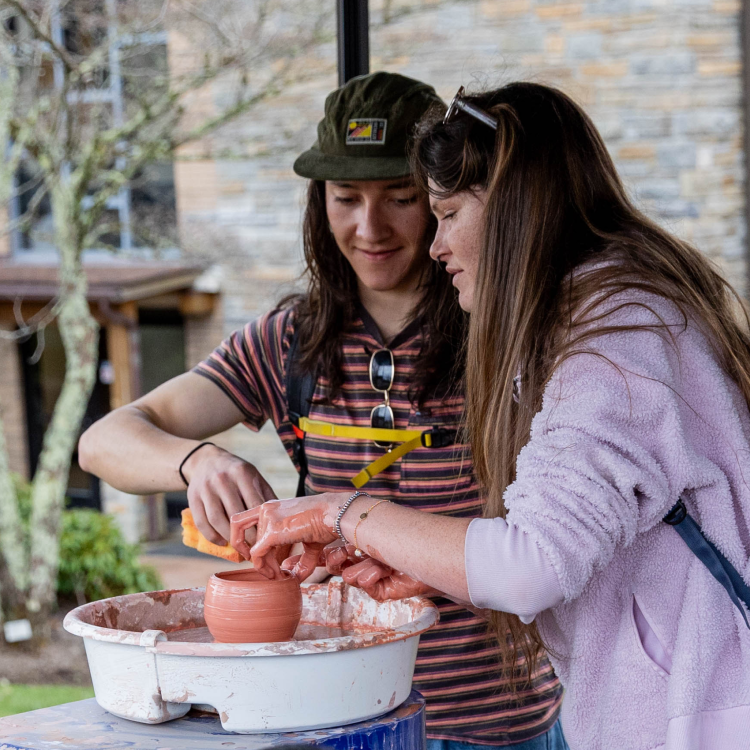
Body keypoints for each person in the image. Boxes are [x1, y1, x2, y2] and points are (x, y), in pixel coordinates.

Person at [241, 82, 750, 750]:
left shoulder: (613, 350)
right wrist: (429, 569)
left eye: (447, 212)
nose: (435, 244)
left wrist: (344, 514)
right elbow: (583, 538)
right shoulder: (615, 316)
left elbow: (531, 563)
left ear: (514, 209)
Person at [78, 73, 565, 749]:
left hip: (496, 725)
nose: (371, 228)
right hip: (339, 718)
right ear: (319, 203)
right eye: (345, 198)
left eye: (400, 197)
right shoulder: (288, 342)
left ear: (442, 200)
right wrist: (198, 461)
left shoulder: (505, 332)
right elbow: (104, 440)